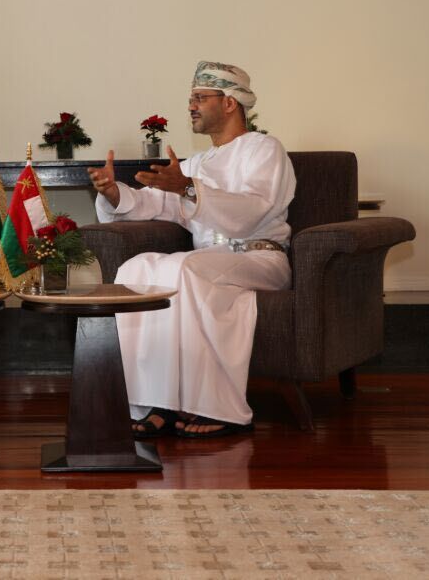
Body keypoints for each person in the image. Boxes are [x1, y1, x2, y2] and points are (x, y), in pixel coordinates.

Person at [87, 61, 295, 438]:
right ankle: (157, 402)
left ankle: (222, 408)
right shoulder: (197, 163)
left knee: (186, 269)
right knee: (136, 270)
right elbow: (158, 203)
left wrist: (186, 187)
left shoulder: (264, 149)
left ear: (230, 103)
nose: (191, 106)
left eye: (200, 97)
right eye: (191, 98)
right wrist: (115, 193)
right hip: (208, 260)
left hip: (259, 257)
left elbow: (251, 211)